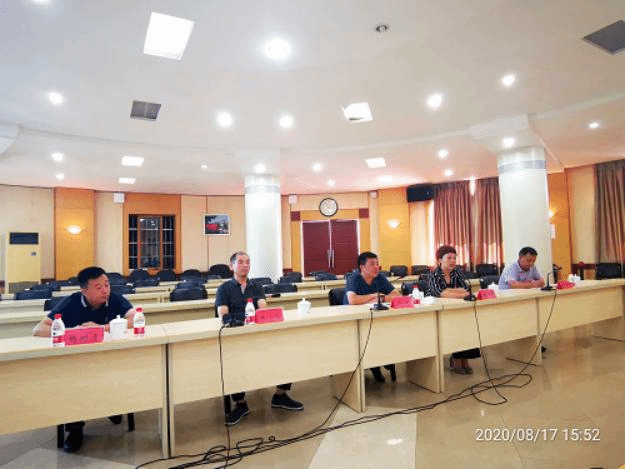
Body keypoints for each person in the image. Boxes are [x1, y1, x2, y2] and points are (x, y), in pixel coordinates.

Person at [33, 266, 137, 453]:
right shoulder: (71, 302)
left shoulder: (115, 299)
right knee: (72, 382)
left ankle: (111, 406)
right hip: (76, 363)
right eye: (98, 287)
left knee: (116, 373)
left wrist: (102, 328)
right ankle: (75, 430)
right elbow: (39, 329)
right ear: (84, 290)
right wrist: (74, 333)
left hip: (108, 360)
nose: (105, 290)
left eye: (107, 285)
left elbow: (136, 319)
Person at [215, 251, 304, 426]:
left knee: (285, 350)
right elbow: (224, 316)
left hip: (257, 333)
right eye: (241, 262)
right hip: (235, 338)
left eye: (248, 262)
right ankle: (240, 403)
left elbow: (263, 311)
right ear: (232, 266)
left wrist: (245, 316)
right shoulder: (224, 289)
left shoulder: (256, 287)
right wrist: (248, 316)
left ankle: (280, 395)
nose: (245, 265)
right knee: (234, 360)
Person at [344, 251, 399, 383]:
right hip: (352, 321)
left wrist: (380, 298)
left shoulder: (379, 277)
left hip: (375, 319)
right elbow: (352, 300)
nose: (376, 267)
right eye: (372, 264)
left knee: (384, 333)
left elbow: (396, 295)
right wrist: (374, 296)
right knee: (367, 336)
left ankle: (379, 360)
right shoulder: (354, 278)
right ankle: (374, 364)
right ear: (362, 267)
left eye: (377, 264)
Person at [428, 245, 480, 374]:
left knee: (467, 324)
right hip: (438, 312)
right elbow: (438, 293)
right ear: (440, 260)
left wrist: (449, 291)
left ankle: (464, 358)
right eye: (449, 258)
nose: (452, 261)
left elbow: (466, 290)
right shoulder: (434, 274)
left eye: (454, 258)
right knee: (456, 326)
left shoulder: (457, 272)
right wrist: (457, 292)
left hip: (457, 309)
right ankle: (456, 358)